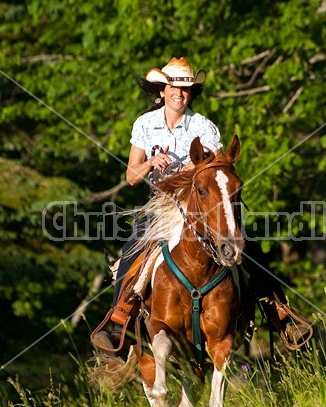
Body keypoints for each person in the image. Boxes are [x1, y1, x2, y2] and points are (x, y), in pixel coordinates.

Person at [91, 56, 312, 357]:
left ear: (191, 93)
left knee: (248, 246)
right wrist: (152, 162)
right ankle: (118, 321)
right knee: (132, 249)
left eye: (186, 89)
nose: (179, 94)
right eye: (174, 88)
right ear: (162, 91)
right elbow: (131, 176)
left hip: (200, 204)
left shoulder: (203, 126)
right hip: (162, 206)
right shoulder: (145, 124)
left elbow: (220, 167)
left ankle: (280, 314)